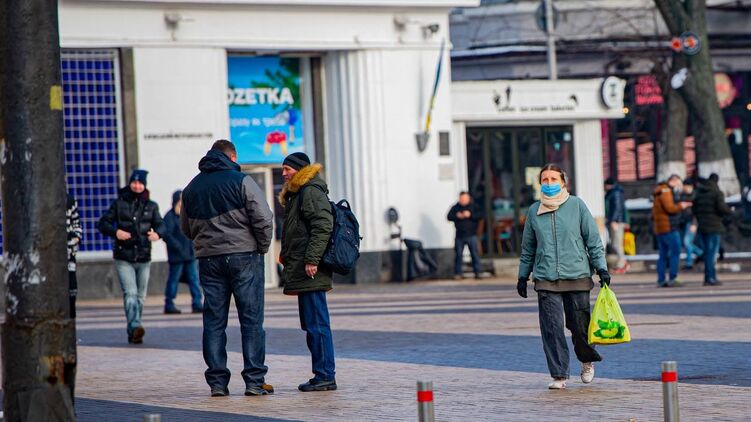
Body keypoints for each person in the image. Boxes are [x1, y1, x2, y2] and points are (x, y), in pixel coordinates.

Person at [181, 140, 274, 397]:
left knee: (213, 322)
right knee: (251, 320)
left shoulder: (191, 188)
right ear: (232, 156)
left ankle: (217, 384)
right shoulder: (241, 180)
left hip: (209, 260)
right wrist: (262, 247)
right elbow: (264, 217)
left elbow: (186, 228)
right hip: (244, 256)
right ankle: (255, 381)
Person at [516, 163, 610, 390]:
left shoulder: (577, 205)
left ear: (563, 182)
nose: (549, 184)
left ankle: (586, 361)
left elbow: (592, 240)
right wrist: (522, 275)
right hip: (546, 278)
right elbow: (528, 247)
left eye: (553, 179)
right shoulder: (534, 211)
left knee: (579, 327)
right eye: (545, 180)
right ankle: (559, 374)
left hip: (577, 274)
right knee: (552, 327)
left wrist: (602, 268)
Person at [278, 152, 337, 392]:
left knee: (317, 324)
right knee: (311, 324)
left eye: (287, 169)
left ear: (300, 170)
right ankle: (321, 373)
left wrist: (312, 259)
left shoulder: (310, 191)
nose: (283, 174)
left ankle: (325, 375)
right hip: (304, 267)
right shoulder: (298, 193)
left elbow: (322, 226)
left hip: (311, 269)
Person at [98, 169, 163, 344]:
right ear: (130, 183)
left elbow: (161, 225)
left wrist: (157, 234)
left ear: (144, 185)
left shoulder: (151, 206)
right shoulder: (119, 204)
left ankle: (134, 330)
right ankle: (135, 325)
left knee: (141, 296)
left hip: (143, 256)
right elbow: (103, 223)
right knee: (131, 293)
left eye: (140, 183)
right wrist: (116, 231)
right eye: (134, 182)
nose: (137, 185)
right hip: (123, 256)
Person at [161, 190, 203, 314]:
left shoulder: (189, 214)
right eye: (179, 201)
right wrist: (178, 247)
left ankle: (197, 303)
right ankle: (169, 304)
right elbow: (166, 234)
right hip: (177, 256)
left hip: (190, 255)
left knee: (194, 280)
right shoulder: (169, 216)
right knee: (173, 281)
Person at [692, 173, 734, 286]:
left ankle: (707, 277)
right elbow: (722, 208)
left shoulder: (699, 193)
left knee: (707, 252)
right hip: (714, 226)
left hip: (702, 227)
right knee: (712, 253)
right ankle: (711, 277)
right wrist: (730, 211)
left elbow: (694, 209)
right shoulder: (716, 193)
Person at [651, 175, 691, 287]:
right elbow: (670, 208)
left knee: (663, 254)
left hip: (660, 227)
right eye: (678, 183)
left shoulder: (659, 190)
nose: (679, 186)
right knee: (675, 252)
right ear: (673, 181)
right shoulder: (666, 190)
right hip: (669, 227)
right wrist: (681, 206)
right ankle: (673, 277)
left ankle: (661, 279)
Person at [447, 192, 483, 279]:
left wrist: (470, 215)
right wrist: (457, 216)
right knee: (458, 255)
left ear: (468, 198)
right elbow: (449, 217)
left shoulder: (474, 206)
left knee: (474, 254)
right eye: (461, 199)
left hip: (471, 234)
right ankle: (458, 273)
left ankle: (478, 272)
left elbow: (481, 215)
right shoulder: (455, 207)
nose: (463, 200)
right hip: (459, 235)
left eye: (464, 199)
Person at [604, 177, 629, 274]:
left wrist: (614, 220)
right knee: (616, 243)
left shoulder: (615, 193)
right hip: (616, 221)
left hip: (616, 222)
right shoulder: (615, 192)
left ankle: (621, 264)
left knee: (616, 244)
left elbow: (616, 207)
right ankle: (621, 263)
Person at [678, 179, 703, 270]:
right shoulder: (681, 195)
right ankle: (693, 259)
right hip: (682, 222)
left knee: (687, 242)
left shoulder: (695, 196)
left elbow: (697, 211)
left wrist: (694, 223)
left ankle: (699, 255)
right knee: (686, 243)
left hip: (692, 222)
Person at [67, 193, 83, 319]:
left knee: (72, 292)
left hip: (69, 254)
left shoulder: (69, 199)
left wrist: (77, 236)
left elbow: (76, 222)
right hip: (51, 255)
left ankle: (70, 330)